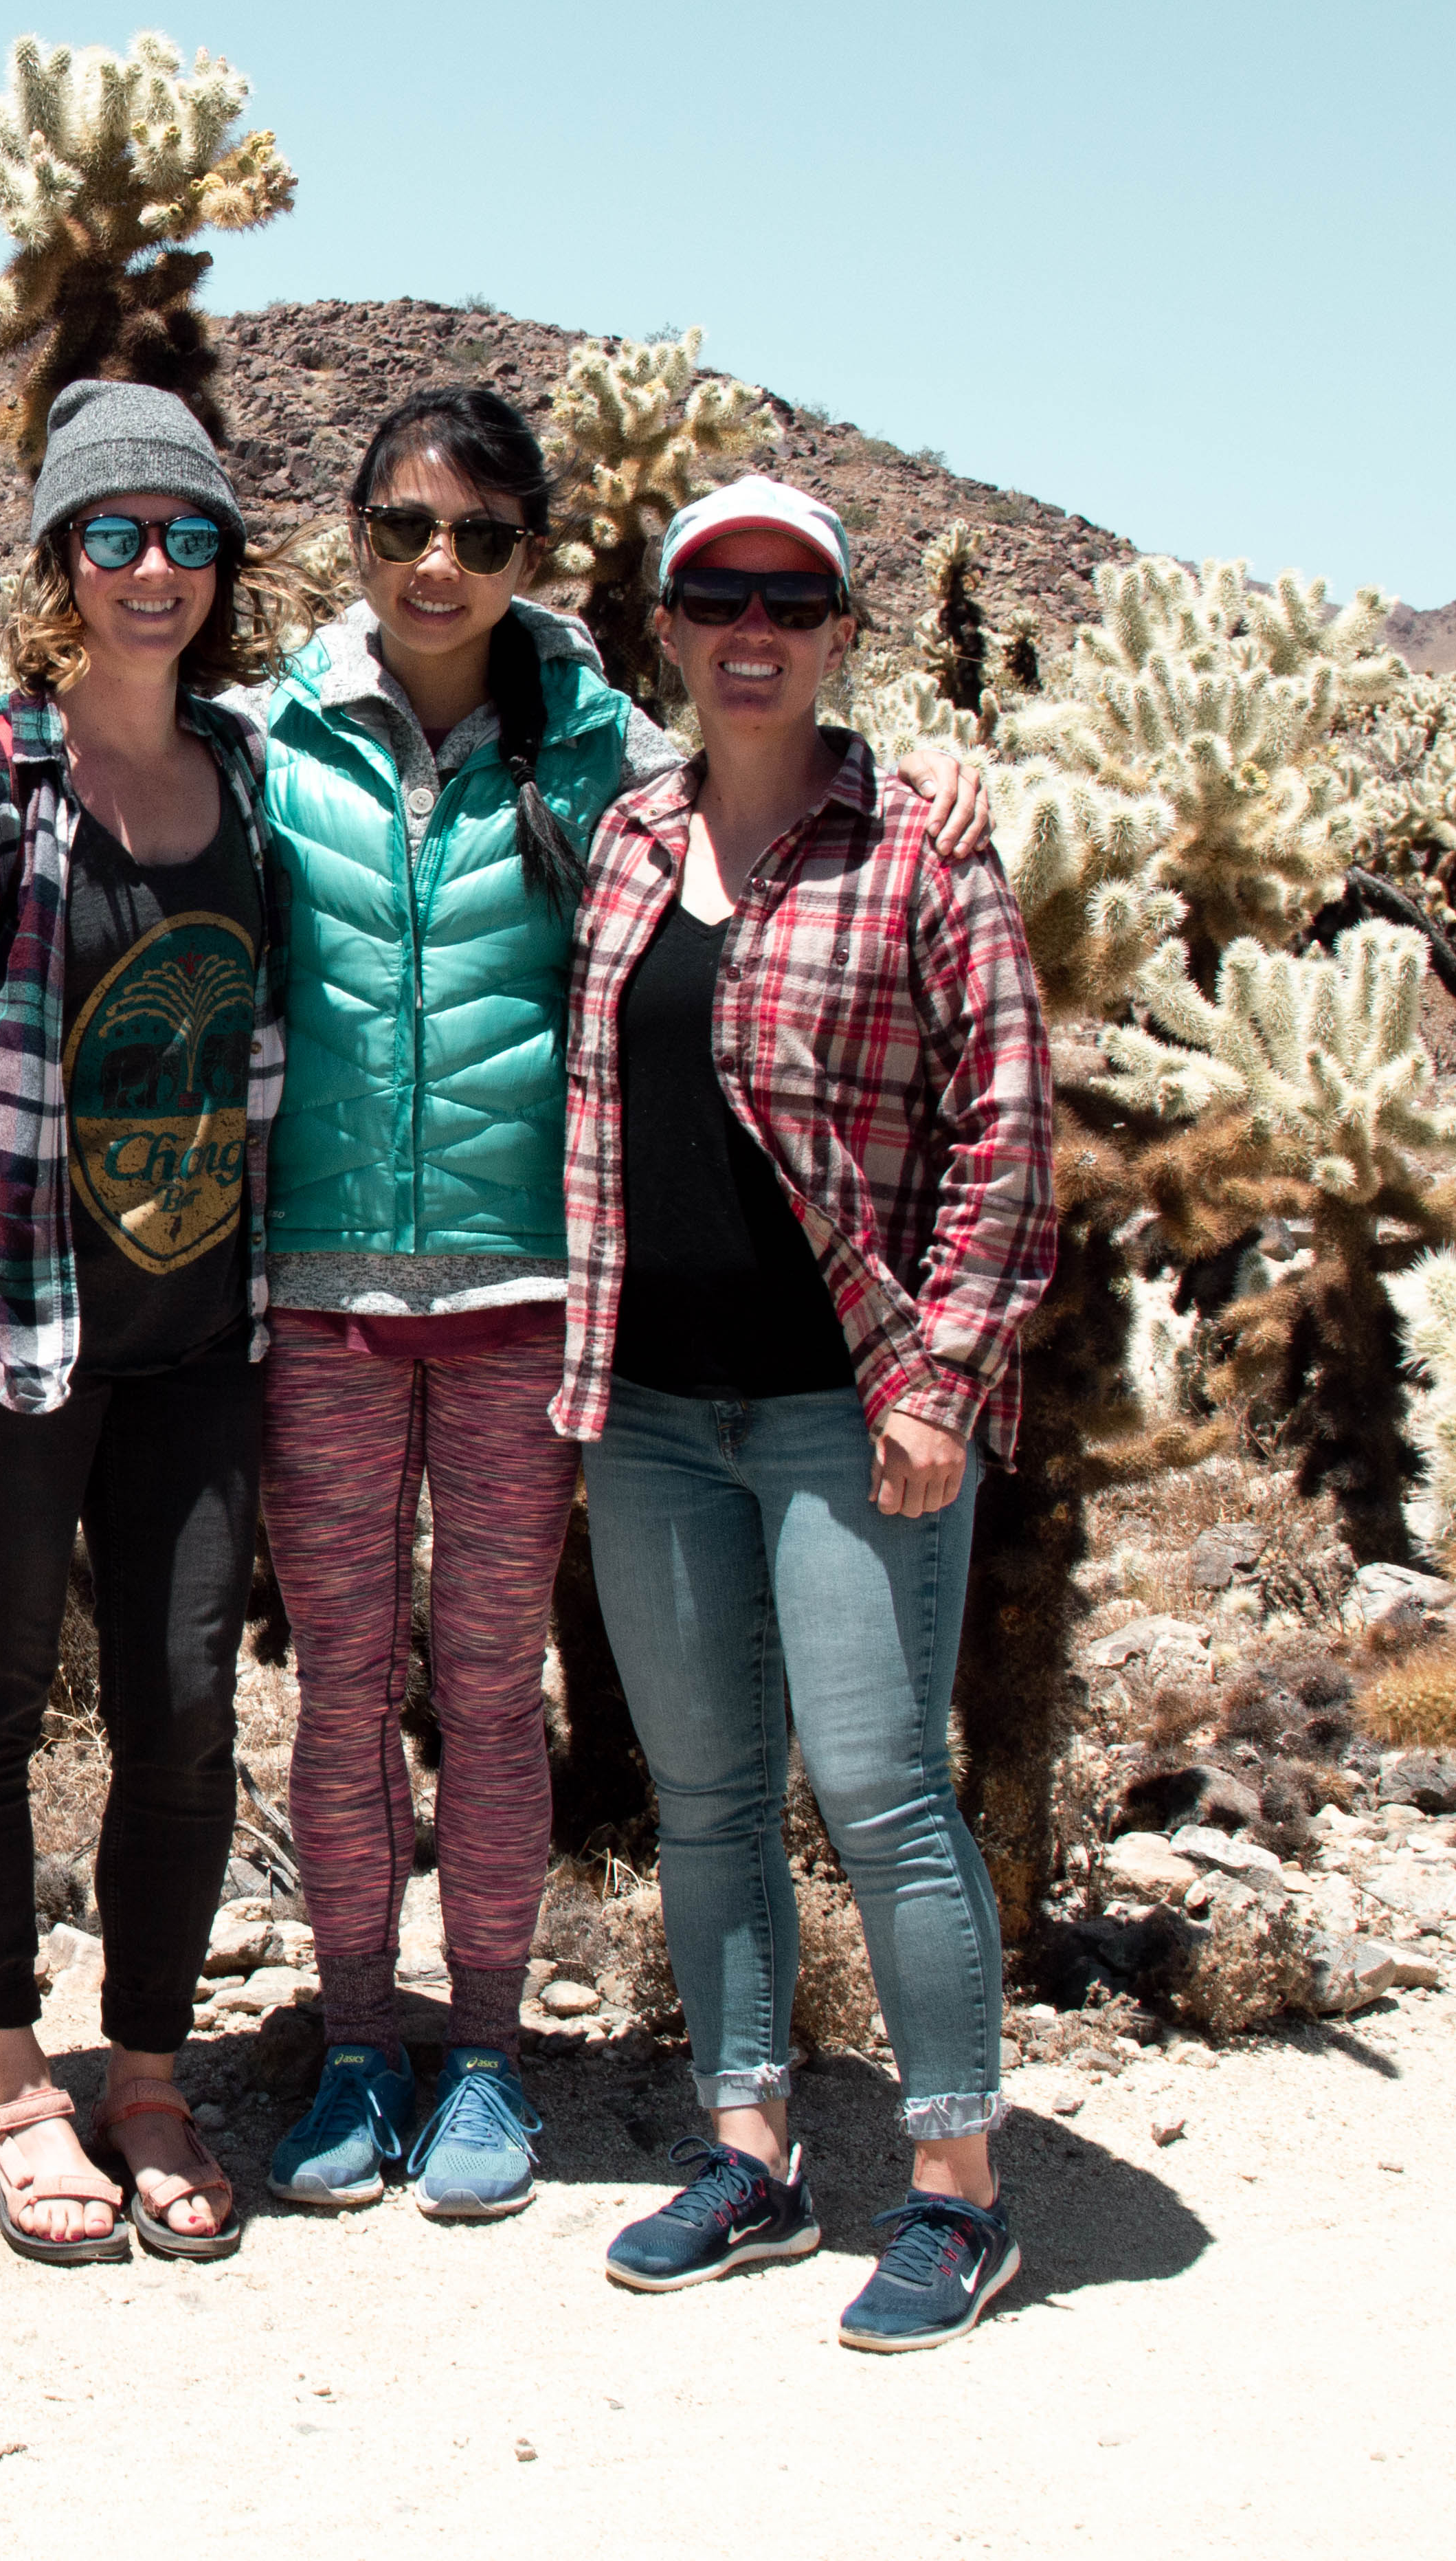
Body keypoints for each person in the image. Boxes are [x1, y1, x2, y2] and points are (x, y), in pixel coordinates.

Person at [0, 389, 990, 2224]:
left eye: (478, 538)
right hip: (304, 1300)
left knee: (485, 1688)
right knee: (333, 1693)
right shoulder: (258, 740)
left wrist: (915, 765)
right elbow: (88, 741)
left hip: (519, 1302)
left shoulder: (598, 752)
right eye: (400, 527)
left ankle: (479, 2043)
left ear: (530, 559)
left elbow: (763, 757)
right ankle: (352, 2039)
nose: (433, 566)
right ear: (346, 534)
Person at [561, 473, 1057, 2350]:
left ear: (843, 634)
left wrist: (937, 1375)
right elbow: (436, 660)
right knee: (702, 1801)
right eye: (713, 599)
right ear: (669, 632)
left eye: (789, 602)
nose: (748, 631)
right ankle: (749, 2151)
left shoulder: (922, 849)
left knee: (876, 1792)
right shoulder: (616, 836)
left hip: (848, 1408)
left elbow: (1007, 1127)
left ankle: (954, 2192)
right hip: (649, 1410)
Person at [0, 379, 283, 2265]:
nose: (150, 570)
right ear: (55, 566)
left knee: (181, 1711)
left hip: (200, 1333)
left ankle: (152, 2069)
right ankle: (14, 2081)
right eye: (111, 535)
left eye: (185, 534)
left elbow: (524, 662)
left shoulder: (254, 774)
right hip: (3, 1325)